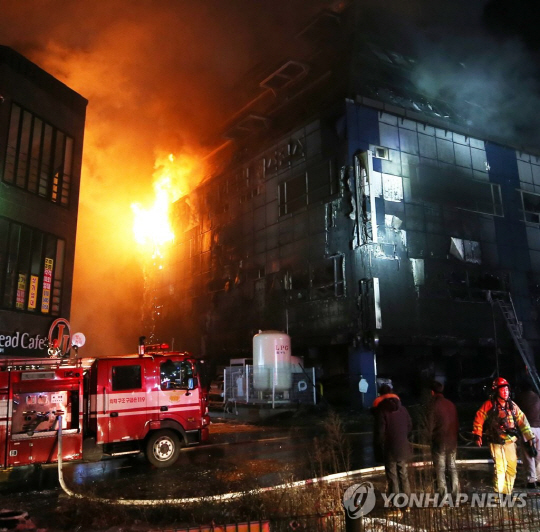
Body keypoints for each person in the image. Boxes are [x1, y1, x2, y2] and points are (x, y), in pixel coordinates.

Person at [472, 377, 536, 495]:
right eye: (503, 389)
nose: (506, 392)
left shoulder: (512, 405)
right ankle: (499, 496)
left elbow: (522, 420)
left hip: (510, 441)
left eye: (507, 389)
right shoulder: (489, 405)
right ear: (496, 391)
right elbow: (479, 418)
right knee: (500, 469)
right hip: (496, 442)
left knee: (512, 468)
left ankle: (507, 493)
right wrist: (477, 434)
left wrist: (530, 436)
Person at [373, 383, 413, 495]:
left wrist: (379, 445)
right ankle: (407, 502)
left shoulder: (382, 411)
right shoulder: (403, 409)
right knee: (403, 475)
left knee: (392, 477)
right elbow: (409, 426)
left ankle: (396, 505)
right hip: (403, 446)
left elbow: (380, 432)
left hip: (389, 449)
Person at [427, 380, 459, 499]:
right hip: (452, 441)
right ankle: (455, 494)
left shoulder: (432, 406)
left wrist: (429, 438)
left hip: (439, 441)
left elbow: (430, 426)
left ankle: (443, 496)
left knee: (440, 469)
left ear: (432, 392)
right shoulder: (451, 404)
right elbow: (456, 422)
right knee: (452, 467)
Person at [516, 380, 540, 488]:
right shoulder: (537, 397)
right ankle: (539, 477)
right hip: (539, 429)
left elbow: (516, 415)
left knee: (528, 455)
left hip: (527, 430)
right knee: (538, 455)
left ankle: (531, 480)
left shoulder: (520, 398)